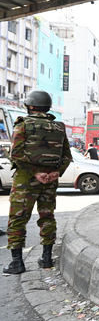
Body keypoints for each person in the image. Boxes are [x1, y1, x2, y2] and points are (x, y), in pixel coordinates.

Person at [3, 90, 72, 274]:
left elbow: (16, 154)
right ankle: (47, 258)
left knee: (18, 219)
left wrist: (35, 173)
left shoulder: (23, 124)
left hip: (26, 180)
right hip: (50, 181)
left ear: (30, 106)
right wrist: (57, 172)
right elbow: (67, 156)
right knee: (47, 217)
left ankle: (17, 262)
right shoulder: (59, 127)